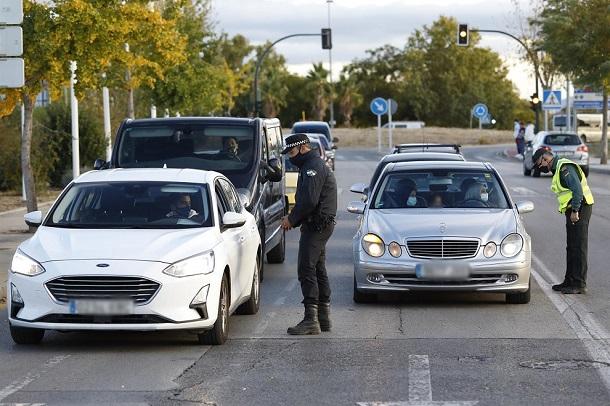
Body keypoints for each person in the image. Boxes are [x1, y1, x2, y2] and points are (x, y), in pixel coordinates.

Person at [280, 133, 337, 335]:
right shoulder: (310, 165)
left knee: (306, 268)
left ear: (303, 148)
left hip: (317, 225)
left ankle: (311, 320)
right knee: (318, 268)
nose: (291, 157)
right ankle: (323, 318)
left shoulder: (313, 167)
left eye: (293, 152)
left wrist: (291, 219)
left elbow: (309, 201)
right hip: (319, 224)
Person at [533, 148, 595, 294]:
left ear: (545, 158)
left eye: (539, 163)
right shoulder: (558, 169)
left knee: (578, 246)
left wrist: (574, 211)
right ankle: (569, 280)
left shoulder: (564, 167)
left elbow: (577, 190)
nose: (540, 167)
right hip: (573, 209)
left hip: (580, 208)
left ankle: (579, 283)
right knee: (571, 246)